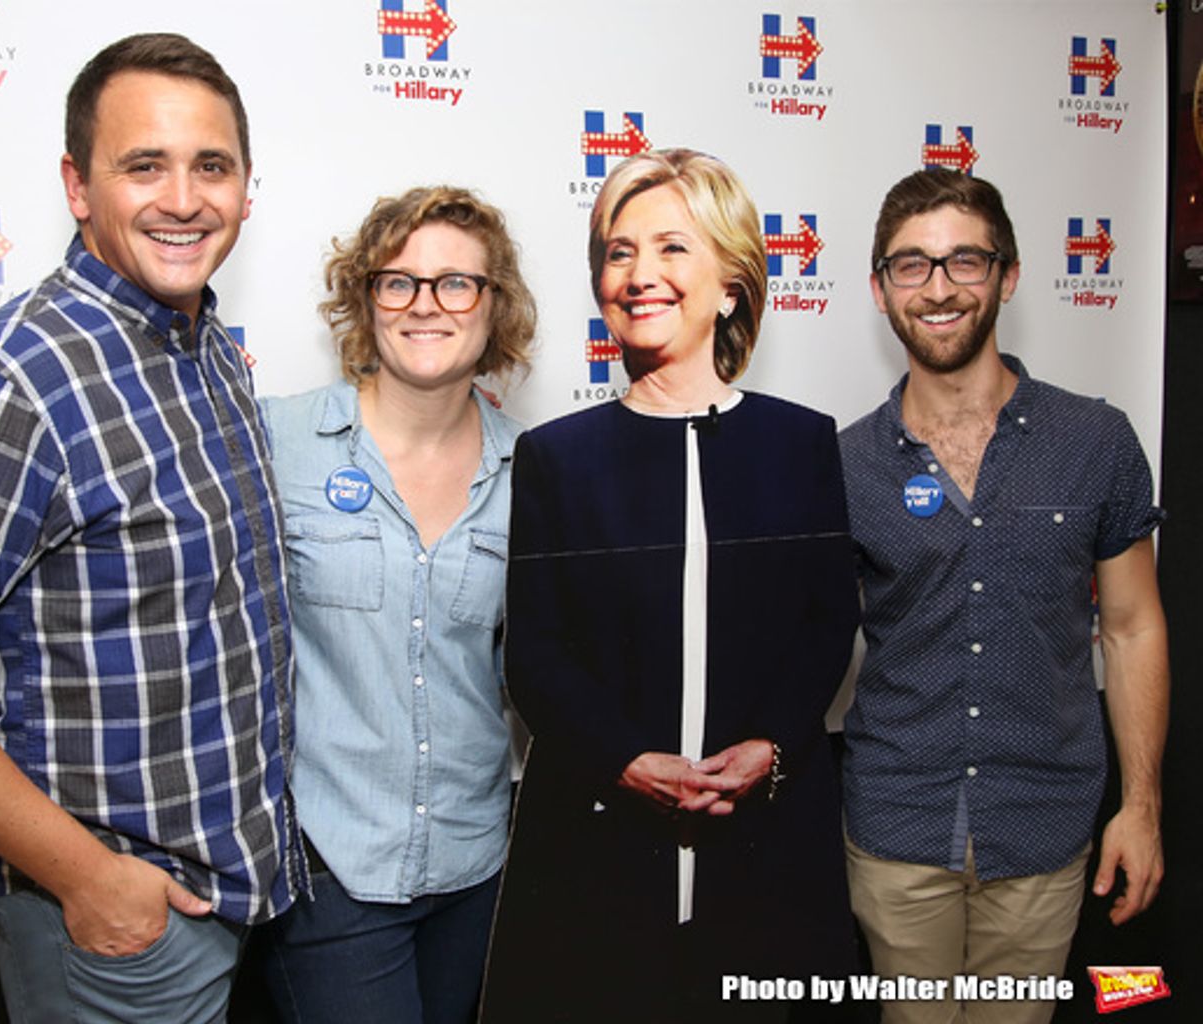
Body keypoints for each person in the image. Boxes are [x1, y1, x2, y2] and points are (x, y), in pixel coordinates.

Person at [0, 33, 306, 1024]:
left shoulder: (207, 352)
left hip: (228, 890)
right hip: (117, 937)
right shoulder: (19, 381)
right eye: (143, 165)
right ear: (78, 186)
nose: (183, 197)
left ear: (248, 186)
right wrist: (91, 879)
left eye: (211, 165)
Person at [481, 148, 859, 1023]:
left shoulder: (801, 444)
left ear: (731, 283)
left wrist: (774, 744)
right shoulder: (556, 457)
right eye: (618, 252)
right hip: (596, 852)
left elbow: (825, 620)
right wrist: (620, 758)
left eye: (672, 248)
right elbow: (534, 649)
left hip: (767, 849)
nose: (640, 274)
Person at [839, 169, 1169, 1024]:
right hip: (899, 825)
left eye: (964, 261)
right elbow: (798, 640)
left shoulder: (1095, 440)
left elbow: (1132, 628)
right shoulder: (842, 465)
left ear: (1009, 275)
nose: (938, 287)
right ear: (881, 290)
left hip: (1045, 827)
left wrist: (1141, 807)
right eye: (911, 266)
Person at [250, 186, 536, 1023]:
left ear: (493, 307)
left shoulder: (537, 470)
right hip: (328, 867)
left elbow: (550, 663)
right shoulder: (275, 441)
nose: (425, 306)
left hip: (476, 866)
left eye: (456, 283)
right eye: (398, 281)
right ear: (365, 300)